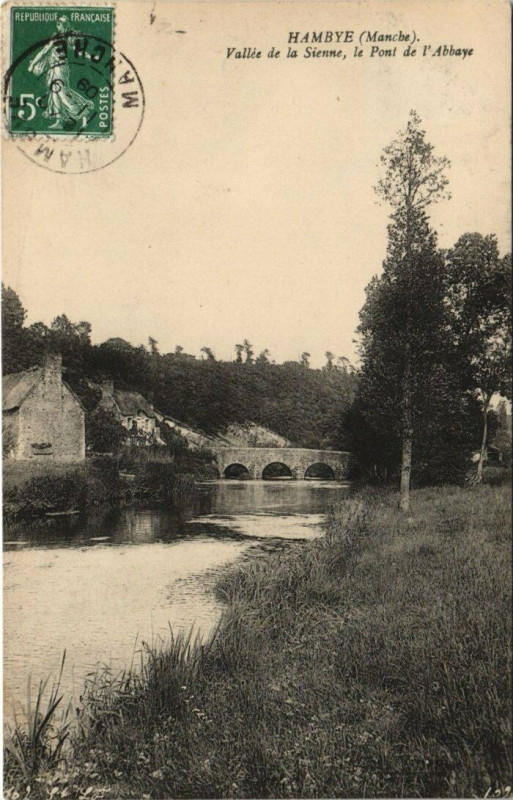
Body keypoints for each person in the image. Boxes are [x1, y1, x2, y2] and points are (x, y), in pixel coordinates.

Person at [27, 16, 94, 129]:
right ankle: (59, 121)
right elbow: (79, 51)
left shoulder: (62, 38)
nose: (57, 26)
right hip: (55, 68)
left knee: (61, 93)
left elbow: (44, 51)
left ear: (63, 26)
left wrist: (33, 64)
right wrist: (91, 57)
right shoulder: (65, 38)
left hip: (59, 68)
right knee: (55, 94)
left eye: (59, 24)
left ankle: (83, 112)